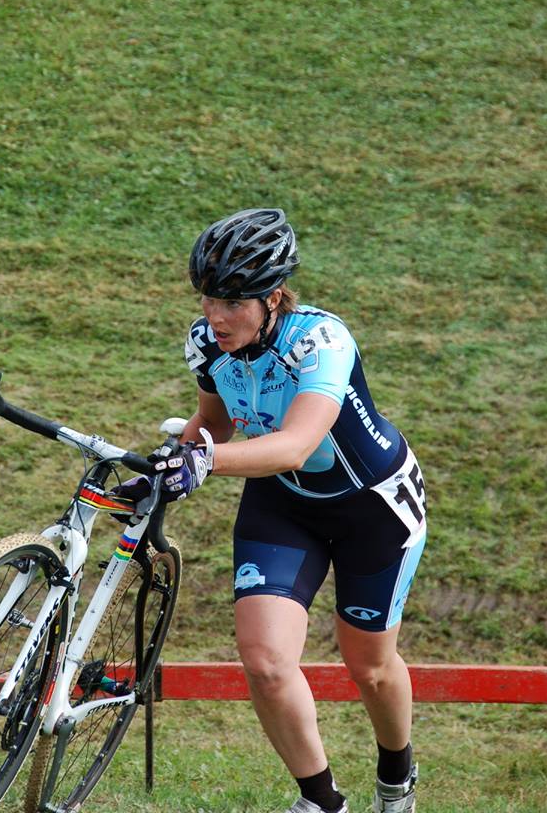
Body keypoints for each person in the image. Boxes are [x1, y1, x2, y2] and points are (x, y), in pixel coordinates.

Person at [144, 208, 426, 813]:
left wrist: (208, 461)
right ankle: (321, 801)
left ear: (272, 298)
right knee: (267, 663)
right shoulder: (206, 344)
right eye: (207, 299)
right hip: (283, 503)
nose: (215, 316)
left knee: (369, 668)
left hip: (371, 509)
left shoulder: (321, 341)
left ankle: (397, 776)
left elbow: (298, 443)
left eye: (234, 302)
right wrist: (171, 462)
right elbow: (214, 427)